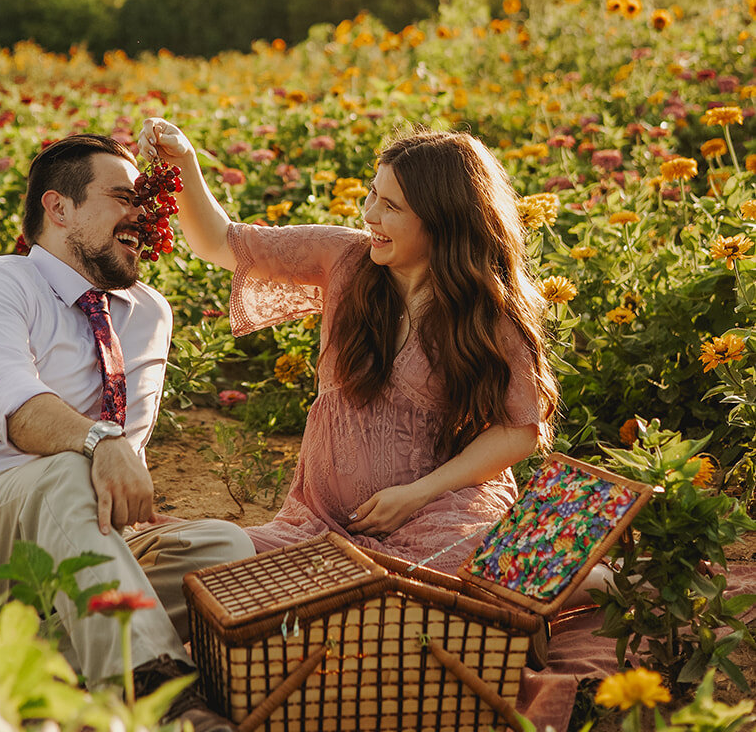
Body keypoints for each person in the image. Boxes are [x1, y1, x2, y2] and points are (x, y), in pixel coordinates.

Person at [0, 134, 256, 732]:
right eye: (122, 197)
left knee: (226, 549)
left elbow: (127, 456)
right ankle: (159, 700)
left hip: (71, 544)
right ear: (58, 208)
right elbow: (15, 409)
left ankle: (12, 667)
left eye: (143, 199)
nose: (142, 214)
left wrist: (116, 475)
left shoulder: (146, 313)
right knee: (68, 467)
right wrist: (99, 441)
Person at [138, 119, 557, 573]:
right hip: (321, 523)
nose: (369, 214)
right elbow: (221, 242)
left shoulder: (486, 308)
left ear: (442, 220)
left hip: (440, 512)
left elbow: (519, 429)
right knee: (221, 563)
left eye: (391, 206)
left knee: (451, 576)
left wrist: (418, 494)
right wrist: (185, 162)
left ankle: (570, 578)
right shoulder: (345, 259)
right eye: (372, 193)